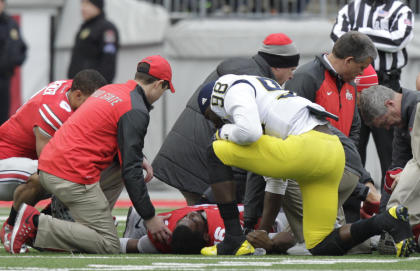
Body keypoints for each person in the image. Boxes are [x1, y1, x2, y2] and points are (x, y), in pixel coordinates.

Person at [198, 74, 415, 257]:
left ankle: (233, 239)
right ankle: (387, 220)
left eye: (212, 117)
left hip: (305, 148)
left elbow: (250, 133)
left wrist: (222, 133)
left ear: (215, 101)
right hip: (331, 150)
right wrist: (262, 231)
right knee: (321, 243)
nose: (217, 122)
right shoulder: (266, 100)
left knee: (215, 149)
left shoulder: (234, 89)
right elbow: (275, 181)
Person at [7, 55, 175, 254]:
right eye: (164, 90)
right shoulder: (135, 108)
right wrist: (149, 217)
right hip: (68, 174)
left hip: (53, 165)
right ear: (160, 84)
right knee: (109, 245)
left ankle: (71, 220)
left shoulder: (109, 90)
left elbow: (121, 153)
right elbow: (131, 171)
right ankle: (33, 223)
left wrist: (140, 159)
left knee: (120, 169)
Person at [152, 32, 299, 207]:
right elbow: (245, 136)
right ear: (277, 66)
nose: (291, 76)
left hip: (190, 154)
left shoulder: (241, 71)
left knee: (203, 222)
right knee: (206, 226)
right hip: (200, 162)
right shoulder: (252, 81)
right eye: (291, 69)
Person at [0, 70, 107, 252]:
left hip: (24, 160)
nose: (94, 111)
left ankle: (46, 224)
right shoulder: (55, 110)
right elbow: (47, 164)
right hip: (6, 161)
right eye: (91, 105)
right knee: (46, 174)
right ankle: (11, 227)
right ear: (78, 95)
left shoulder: (74, 89)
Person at [284, 31, 381, 221]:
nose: (361, 73)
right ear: (349, 60)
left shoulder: (350, 85)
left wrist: (362, 177)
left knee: (348, 242)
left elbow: (353, 135)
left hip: (336, 174)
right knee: (314, 240)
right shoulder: (306, 79)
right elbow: (294, 132)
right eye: (361, 67)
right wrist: (362, 188)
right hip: (308, 177)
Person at [359, 84, 420, 249]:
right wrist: (384, 219)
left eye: (385, 121)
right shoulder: (403, 121)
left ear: (389, 104)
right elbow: (395, 168)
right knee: (395, 175)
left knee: (411, 172)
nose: (387, 128)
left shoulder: (418, 109)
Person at [120, 204, 295, 254]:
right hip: (269, 215)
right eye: (193, 220)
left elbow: (132, 245)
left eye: (184, 220)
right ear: (205, 235)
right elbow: (290, 239)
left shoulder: (166, 235)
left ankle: (137, 223)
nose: (188, 216)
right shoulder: (222, 234)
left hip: (218, 201)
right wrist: (270, 243)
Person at [331, 0, 414, 92]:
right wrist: (380, 36)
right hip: (353, 79)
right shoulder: (348, 9)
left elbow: (398, 40)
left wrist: (357, 32)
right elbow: (337, 39)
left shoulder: (402, 10)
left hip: (388, 81)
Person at [68, 0, 119, 83]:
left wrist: (99, 85)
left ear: (97, 6)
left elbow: (108, 61)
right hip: (78, 86)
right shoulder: (84, 27)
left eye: (87, 4)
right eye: (82, 4)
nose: (82, 8)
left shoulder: (107, 29)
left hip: (93, 88)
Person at [0, 0, 27, 125]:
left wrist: (13, 61)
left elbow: (21, 47)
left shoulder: (10, 23)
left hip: (4, 77)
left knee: (3, 113)